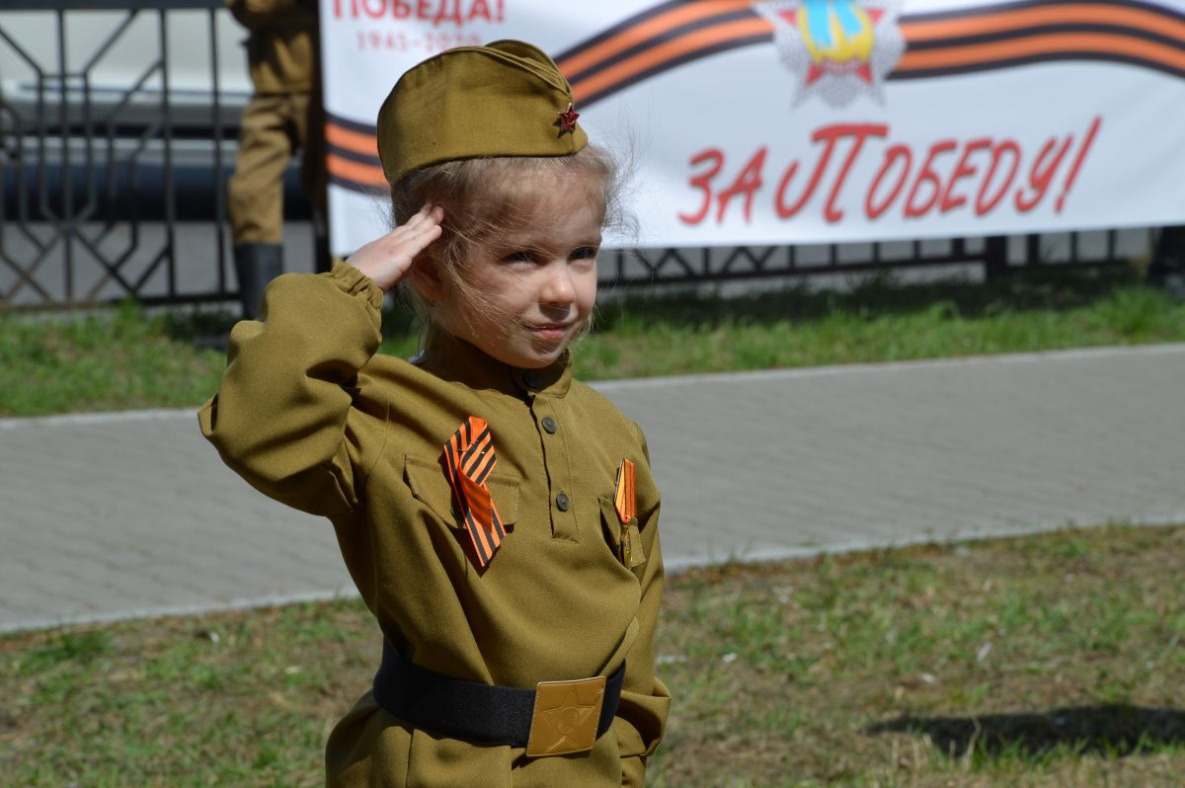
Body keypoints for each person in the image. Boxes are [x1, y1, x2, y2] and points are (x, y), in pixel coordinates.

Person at [199, 40, 669, 786]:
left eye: (580, 254)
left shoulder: (612, 433)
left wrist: (632, 746)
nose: (562, 290)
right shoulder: (380, 414)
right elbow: (255, 423)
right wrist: (352, 288)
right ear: (426, 267)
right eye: (521, 258)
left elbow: (638, 619)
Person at [225, 0, 328, 319]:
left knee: (338, 201)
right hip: (272, 88)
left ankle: (339, 316)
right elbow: (247, 8)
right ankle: (261, 322)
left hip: (335, 88)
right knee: (249, 193)